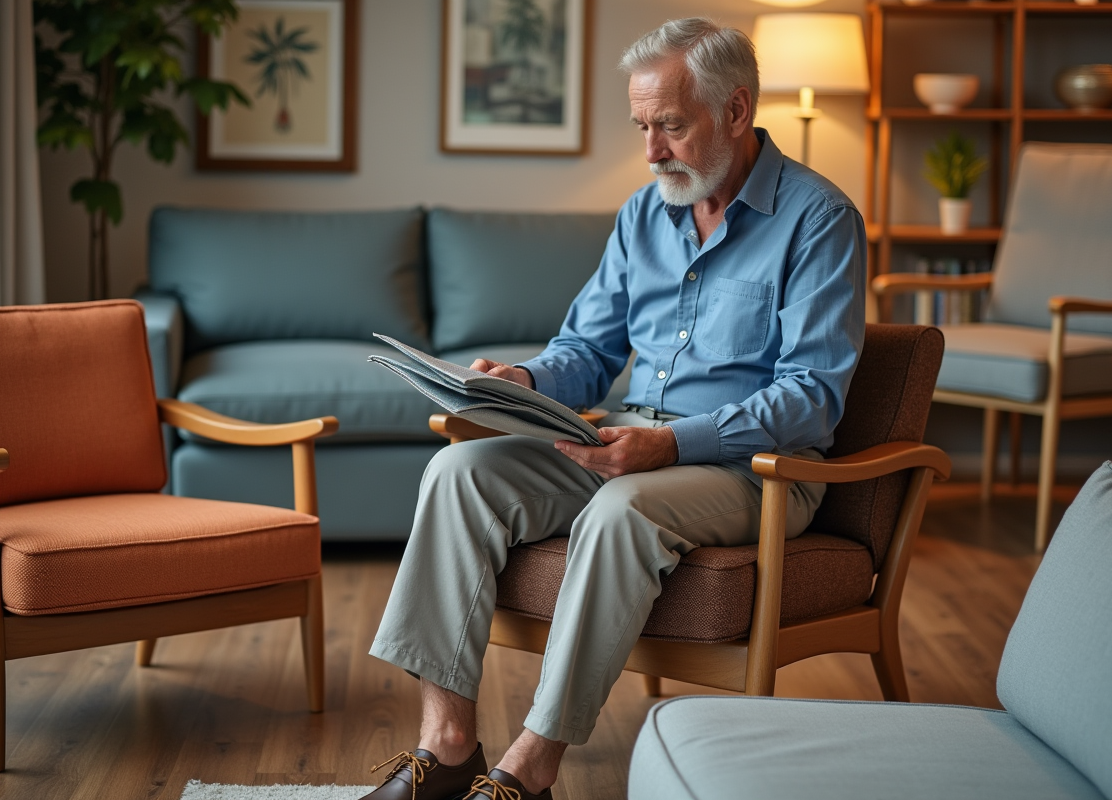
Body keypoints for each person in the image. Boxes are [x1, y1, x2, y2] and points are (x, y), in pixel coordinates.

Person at [366, 17, 866, 800]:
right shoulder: (644, 214)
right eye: (642, 126)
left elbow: (812, 398)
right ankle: (449, 742)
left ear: (736, 112)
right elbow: (589, 352)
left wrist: (670, 448)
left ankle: (531, 768)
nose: (650, 152)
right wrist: (525, 384)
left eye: (669, 125)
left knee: (621, 510)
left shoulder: (819, 220)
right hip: (628, 443)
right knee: (458, 472)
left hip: (757, 471)